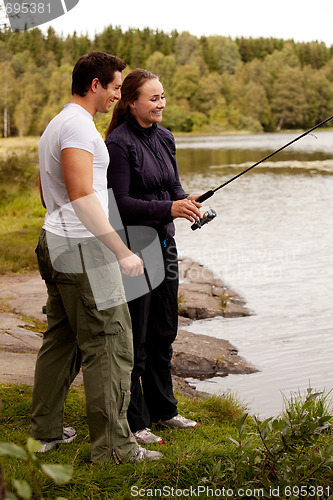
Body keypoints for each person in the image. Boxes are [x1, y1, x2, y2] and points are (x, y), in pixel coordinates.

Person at [31, 53, 163, 463]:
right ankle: (114, 449)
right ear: (94, 85)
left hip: (59, 241)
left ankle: (46, 431)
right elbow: (81, 194)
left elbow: (44, 187)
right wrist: (120, 249)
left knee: (62, 340)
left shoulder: (59, 123)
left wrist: (62, 224)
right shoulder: (76, 128)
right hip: (82, 251)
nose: (118, 96)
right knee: (110, 345)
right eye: (115, 87)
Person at [105, 69, 202, 445]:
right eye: (154, 98)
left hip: (165, 244)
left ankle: (166, 410)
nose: (161, 103)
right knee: (138, 337)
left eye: (163, 96)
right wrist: (168, 209)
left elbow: (173, 186)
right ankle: (135, 420)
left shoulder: (165, 137)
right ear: (132, 102)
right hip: (135, 249)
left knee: (164, 330)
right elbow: (122, 205)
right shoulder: (119, 143)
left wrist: (187, 204)